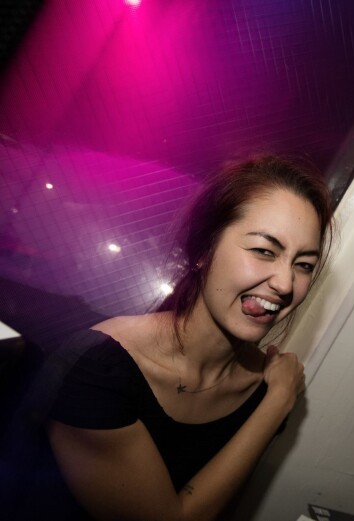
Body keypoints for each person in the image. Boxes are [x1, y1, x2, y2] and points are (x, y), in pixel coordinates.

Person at [4, 154, 334, 521]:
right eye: (263, 251)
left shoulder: (263, 384)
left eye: (304, 265)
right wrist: (278, 403)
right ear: (204, 250)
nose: (286, 284)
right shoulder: (98, 368)